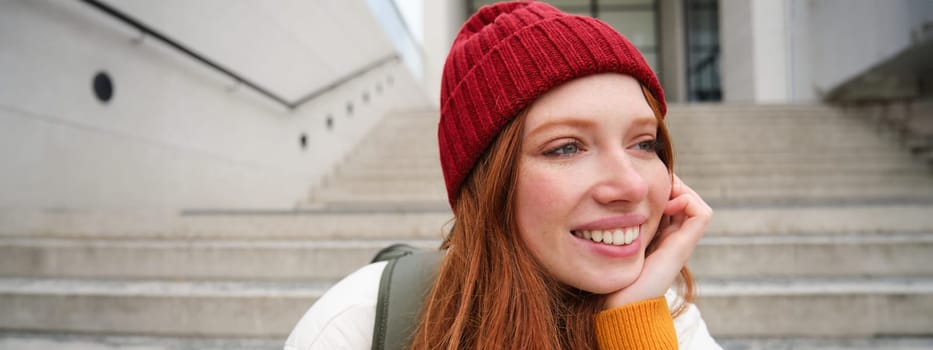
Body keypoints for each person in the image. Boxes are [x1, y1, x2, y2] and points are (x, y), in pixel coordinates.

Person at [285, 1, 721, 349]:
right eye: (566, 147)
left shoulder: (668, 318)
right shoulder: (354, 323)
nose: (632, 185)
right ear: (487, 183)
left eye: (644, 144)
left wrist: (633, 326)